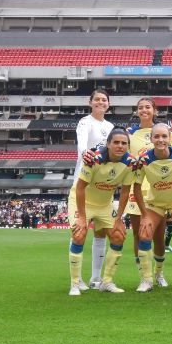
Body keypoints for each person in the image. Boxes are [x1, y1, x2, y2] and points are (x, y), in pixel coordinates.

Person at [70, 129, 138, 295]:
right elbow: (80, 189)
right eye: (116, 142)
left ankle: (106, 282)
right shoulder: (94, 160)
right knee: (79, 234)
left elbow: (125, 191)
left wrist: (120, 218)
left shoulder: (130, 163)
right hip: (82, 201)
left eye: (124, 143)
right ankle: (75, 283)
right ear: (108, 144)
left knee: (118, 235)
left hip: (105, 204)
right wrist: (82, 218)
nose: (120, 146)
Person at [133, 123, 172, 292]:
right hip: (156, 204)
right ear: (151, 138)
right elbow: (136, 187)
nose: (160, 140)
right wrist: (144, 214)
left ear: (170, 138)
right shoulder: (144, 160)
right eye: (157, 136)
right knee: (144, 235)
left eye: (164, 136)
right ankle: (147, 280)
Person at [68, 89, 114, 291]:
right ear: (90, 102)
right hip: (84, 182)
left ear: (108, 104)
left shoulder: (111, 126)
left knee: (102, 233)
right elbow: (82, 146)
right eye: (97, 99)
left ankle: (96, 278)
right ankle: (76, 280)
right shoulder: (85, 122)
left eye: (104, 100)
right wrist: (87, 154)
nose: (100, 102)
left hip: (103, 186)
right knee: (79, 232)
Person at [125, 97, 172, 288]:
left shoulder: (164, 131)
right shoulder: (129, 134)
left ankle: (159, 274)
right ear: (136, 111)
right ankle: (144, 276)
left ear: (155, 110)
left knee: (158, 234)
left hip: (158, 188)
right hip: (136, 187)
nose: (144, 110)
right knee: (138, 232)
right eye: (140, 108)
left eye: (148, 107)